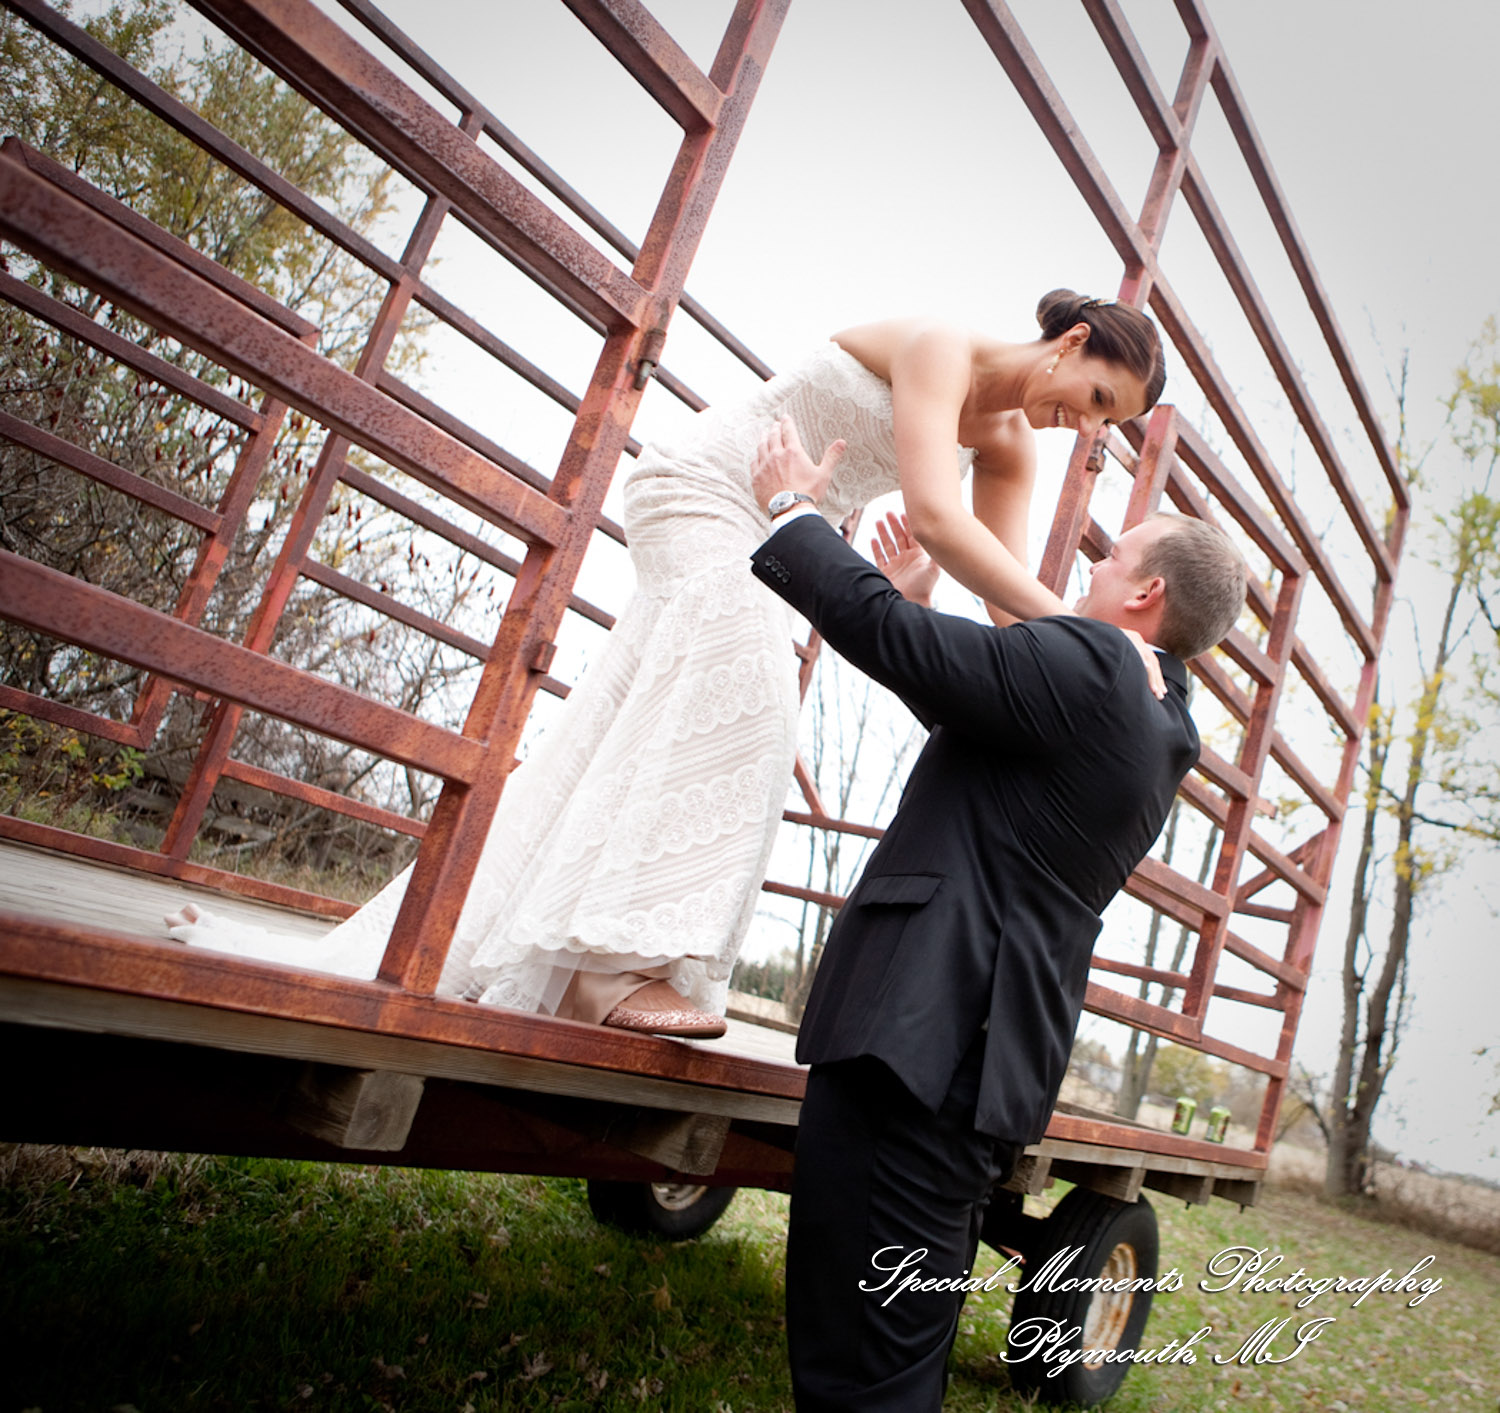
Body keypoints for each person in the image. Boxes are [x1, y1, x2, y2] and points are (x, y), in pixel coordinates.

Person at [166, 291, 1168, 1039]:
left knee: (632, 725)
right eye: (1092, 399)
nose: (1083, 428)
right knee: (763, 692)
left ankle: (498, 938)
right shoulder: (943, 349)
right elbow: (942, 520)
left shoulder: (1011, 448)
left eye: (1104, 426)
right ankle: (618, 965)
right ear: (1071, 343)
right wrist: (1107, 639)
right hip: (708, 490)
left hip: (777, 528)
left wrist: (1088, 664)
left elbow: (1002, 596)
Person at [746, 419, 1247, 1410]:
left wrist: (789, 508)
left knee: (862, 1357)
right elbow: (990, 736)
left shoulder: (1104, 666)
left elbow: (892, 640)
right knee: (889, 1338)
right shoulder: (1161, 719)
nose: (1092, 573)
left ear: (1145, 595)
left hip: (919, 1043)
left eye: (1112, 561)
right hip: (967, 1054)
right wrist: (921, 599)